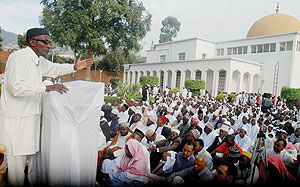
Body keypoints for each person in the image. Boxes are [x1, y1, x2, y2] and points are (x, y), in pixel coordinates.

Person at [0, 28, 92, 186]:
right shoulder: (18, 57)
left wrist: (74, 68)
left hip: (29, 123)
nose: (49, 46)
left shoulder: (38, 60)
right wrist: (46, 88)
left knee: (21, 170)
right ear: (32, 42)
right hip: (17, 124)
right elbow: (15, 87)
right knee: (15, 172)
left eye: (50, 42)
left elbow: (54, 68)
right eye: (45, 42)